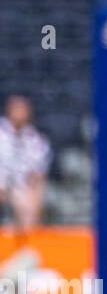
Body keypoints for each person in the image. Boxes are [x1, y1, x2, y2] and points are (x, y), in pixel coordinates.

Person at [0, 96, 51, 241]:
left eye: (23, 110)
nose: (20, 113)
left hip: (21, 186)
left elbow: (38, 172)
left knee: (29, 201)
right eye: (17, 109)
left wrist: (34, 194)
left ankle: (27, 244)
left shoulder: (36, 139)